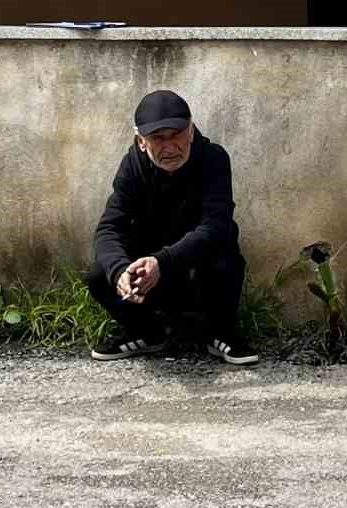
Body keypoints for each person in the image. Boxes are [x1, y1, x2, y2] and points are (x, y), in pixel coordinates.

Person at [85, 90, 258, 365]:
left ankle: (221, 333)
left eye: (176, 134)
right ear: (141, 141)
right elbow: (108, 228)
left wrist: (162, 262)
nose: (169, 147)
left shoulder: (213, 158)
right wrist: (120, 271)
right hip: (152, 273)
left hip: (196, 266)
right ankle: (147, 333)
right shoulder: (133, 166)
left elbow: (216, 226)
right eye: (158, 138)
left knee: (225, 261)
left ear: (191, 131)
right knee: (99, 274)